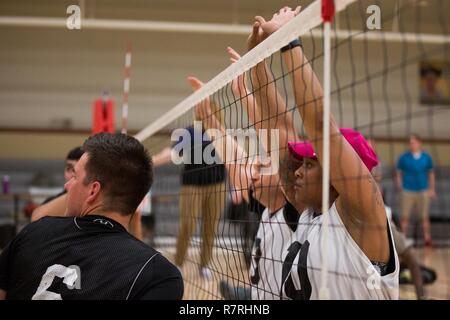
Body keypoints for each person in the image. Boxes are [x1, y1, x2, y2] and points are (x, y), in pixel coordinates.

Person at [253, 6, 399, 299]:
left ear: (338, 174)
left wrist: (289, 41)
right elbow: (278, 128)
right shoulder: (310, 213)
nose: (295, 171)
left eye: (309, 165)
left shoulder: (361, 212)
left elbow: (320, 125)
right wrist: (257, 61)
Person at [0, 133, 183, 300]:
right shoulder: (159, 275)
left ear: (93, 190)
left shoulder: (34, 233)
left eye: (75, 177)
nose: (67, 186)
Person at [152, 123, 226, 279]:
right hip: (192, 185)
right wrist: (150, 161)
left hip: (217, 185)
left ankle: (205, 265)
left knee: (210, 227)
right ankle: (178, 264)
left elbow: (231, 158)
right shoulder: (190, 131)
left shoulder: (221, 130)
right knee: (187, 225)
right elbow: (172, 153)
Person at [396, 134, 436, 246]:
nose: (411, 144)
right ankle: (403, 240)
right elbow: (398, 172)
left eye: (413, 142)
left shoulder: (426, 157)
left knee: (424, 217)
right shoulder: (404, 157)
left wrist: (432, 189)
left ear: (419, 143)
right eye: (410, 142)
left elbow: (431, 173)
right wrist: (399, 185)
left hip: (423, 190)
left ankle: (427, 239)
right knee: (405, 217)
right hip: (408, 190)